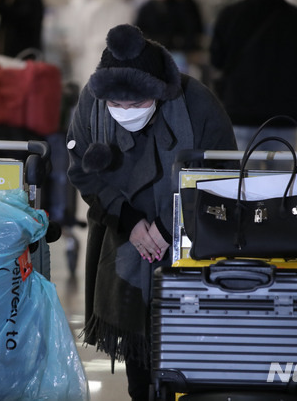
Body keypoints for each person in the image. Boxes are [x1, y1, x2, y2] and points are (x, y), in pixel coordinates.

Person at [66, 24, 236, 400]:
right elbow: (80, 169)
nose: (126, 112)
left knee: (183, 346)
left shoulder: (197, 105)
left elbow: (222, 177)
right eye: (118, 106)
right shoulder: (93, 102)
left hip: (190, 237)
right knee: (138, 350)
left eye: (139, 104)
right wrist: (129, 222)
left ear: (159, 93)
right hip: (123, 236)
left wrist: (166, 225)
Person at [209, 0, 297, 152]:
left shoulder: (229, 15)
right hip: (283, 115)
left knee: (242, 178)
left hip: (239, 112)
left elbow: (217, 60)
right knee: (282, 179)